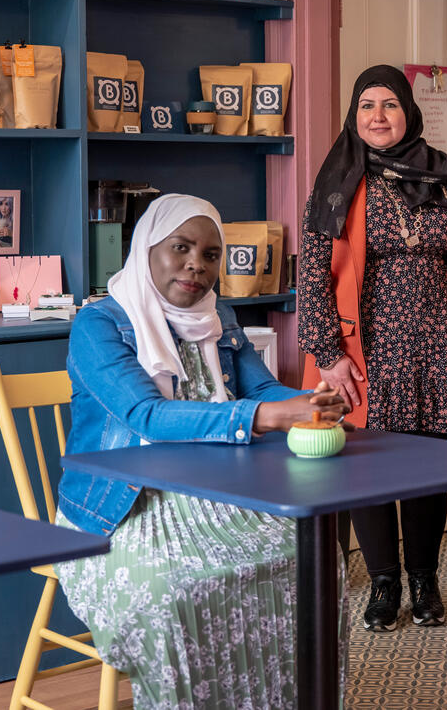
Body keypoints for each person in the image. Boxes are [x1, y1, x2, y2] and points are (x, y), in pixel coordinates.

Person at [54, 193, 349, 710]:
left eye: (211, 255)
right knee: (174, 590)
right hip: (125, 507)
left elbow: (260, 390)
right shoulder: (99, 325)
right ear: (147, 248)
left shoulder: (220, 318)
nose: (196, 264)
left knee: (315, 562)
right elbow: (145, 415)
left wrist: (308, 401)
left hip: (216, 492)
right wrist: (264, 417)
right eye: (181, 248)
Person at [298, 64, 447, 632]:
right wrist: (327, 352)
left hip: (429, 344)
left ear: (408, 111)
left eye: (389, 105)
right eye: (367, 107)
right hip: (362, 346)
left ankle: (424, 579)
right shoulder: (339, 180)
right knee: (367, 466)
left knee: (427, 466)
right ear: (355, 117)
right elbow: (311, 274)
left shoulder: (442, 174)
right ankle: (384, 581)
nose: (378, 117)